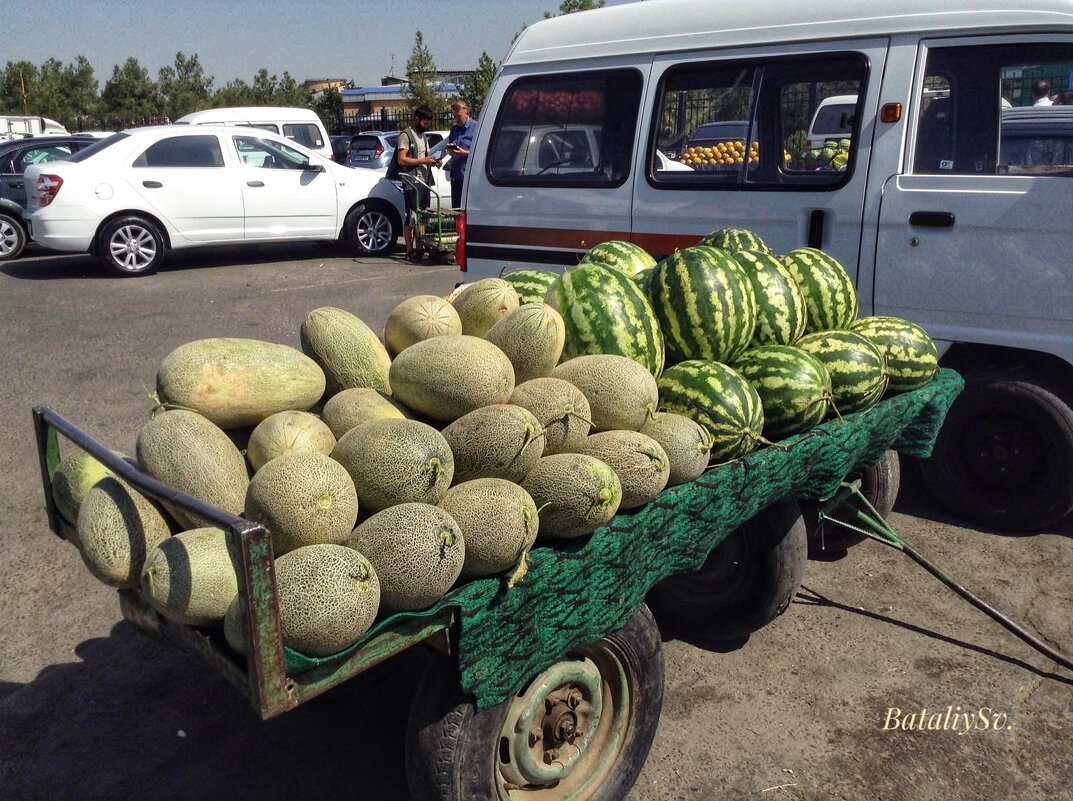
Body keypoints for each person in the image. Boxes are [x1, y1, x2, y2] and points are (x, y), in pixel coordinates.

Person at [395, 105, 441, 261]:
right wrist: (422, 160)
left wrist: (433, 162)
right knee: (411, 217)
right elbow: (402, 159)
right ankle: (409, 250)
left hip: (424, 181)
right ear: (416, 119)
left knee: (422, 217)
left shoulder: (424, 136)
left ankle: (420, 247)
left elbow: (424, 157)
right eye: (425, 122)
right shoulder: (405, 135)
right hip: (412, 182)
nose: (427, 126)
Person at [445, 101, 478, 209]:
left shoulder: (476, 128)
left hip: (470, 179)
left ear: (467, 112)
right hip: (456, 177)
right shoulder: (454, 129)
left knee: (469, 211)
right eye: (454, 116)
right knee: (456, 211)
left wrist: (465, 153)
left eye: (458, 116)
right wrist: (450, 150)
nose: (456, 119)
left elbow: (481, 151)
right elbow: (450, 146)